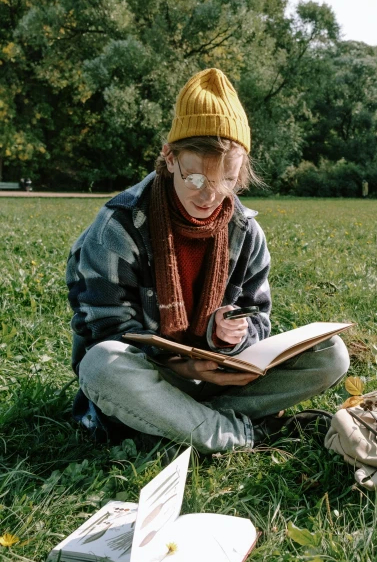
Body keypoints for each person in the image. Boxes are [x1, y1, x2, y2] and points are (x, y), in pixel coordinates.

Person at [67, 68, 349, 454]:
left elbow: (259, 322)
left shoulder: (245, 232)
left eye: (227, 181)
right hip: (152, 377)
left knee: (331, 354)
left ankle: (176, 424)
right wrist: (181, 367)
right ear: (169, 158)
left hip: (219, 379)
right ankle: (238, 433)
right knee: (101, 365)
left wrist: (229, 337)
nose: (210, 196)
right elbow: (102, 330)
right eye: (196, 179)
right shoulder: (118, 226)